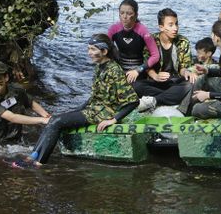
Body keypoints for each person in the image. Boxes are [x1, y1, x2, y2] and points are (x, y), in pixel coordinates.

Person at [11, 34, 139, 168]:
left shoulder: (114, 70)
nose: (89, 53)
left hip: (103, 113)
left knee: (57, 122)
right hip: (93, 109)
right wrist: (78, 109)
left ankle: (39, 163)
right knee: (54, 119)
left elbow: (132, 101)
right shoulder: (99, 67)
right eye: (88, 49)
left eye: (93, 49)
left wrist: (113, 120)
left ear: (104, 51)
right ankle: (32, 156)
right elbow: (96, 96)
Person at [135, 8, 196, 112]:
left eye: (176, 24)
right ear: (161, 27)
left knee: (191, 83)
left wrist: (187, 72)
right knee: (136, 85)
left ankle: (154, 101)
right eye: (171, 25)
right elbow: (147, 65)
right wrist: (156, 76)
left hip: (175, 82)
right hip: (156, 83)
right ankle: (172, 99)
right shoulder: (151, 40)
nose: (175, 28)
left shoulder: (183, 41)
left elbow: (183, 67)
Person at [0, 61, 51, 143]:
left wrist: (47, 117)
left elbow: (31, 103)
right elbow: (12, 117)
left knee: (19, 106)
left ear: (6, 78)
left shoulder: (16, 90)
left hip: (14, 134)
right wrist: (41, 120)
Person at [108, 0, 160, 95]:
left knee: (134, 89)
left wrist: (138, 70)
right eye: (122, 13)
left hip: (138, 71)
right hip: (121, 68)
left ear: (136, 15)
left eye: (129, 13)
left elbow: (155, 55)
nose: (125, 17)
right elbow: (106, 51)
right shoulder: (113, 29)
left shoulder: (143, 30)